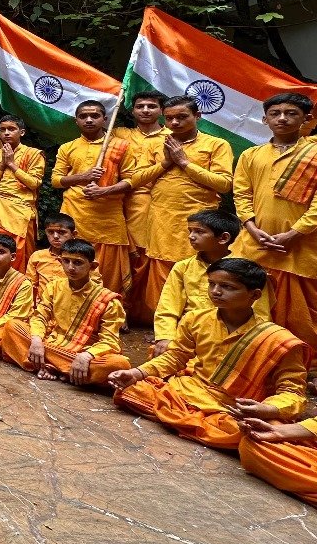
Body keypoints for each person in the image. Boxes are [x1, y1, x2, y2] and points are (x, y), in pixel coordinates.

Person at [111, 258, 307, 450]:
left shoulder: (277, 339)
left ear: (254, 295)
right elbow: (175, 357)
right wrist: (136, 373)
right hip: (190, 392)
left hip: (232, 407)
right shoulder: (195, 319)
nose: (215, 291)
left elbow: (293, 393)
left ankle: (190, 423)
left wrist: (266, 409)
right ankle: (202, 428)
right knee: (131, 390)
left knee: (257, 431)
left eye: (227, 287)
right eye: (211, 284)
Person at [128, 95, 233, 317]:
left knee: (196, 270)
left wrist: (184, 162)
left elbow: (224, 184)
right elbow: (137, 179)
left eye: (182, 117)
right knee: (161, 269)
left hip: (200, 220)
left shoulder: (216, 144)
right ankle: (165, 322)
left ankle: (198, 321)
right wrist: (166, 162)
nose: (174, 123)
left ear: (197, 115)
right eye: (169, 118)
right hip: (162, 217)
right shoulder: (156, 144)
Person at [230, 93, 317, 358]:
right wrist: (251, 227)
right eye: (275, 113)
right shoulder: (251, 154)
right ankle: (251, 358)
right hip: (254, 243)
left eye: (291, 113)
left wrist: (294, 234)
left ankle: (303, 362)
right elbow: (241, 194)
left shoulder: (313, 153)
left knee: (302, 313)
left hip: (301, 247)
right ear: (264, 119)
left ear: (307, 119)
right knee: (247, 302)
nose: (282, 118)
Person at [3, 240, 131, 385]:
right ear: (60, 261)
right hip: (51, 343)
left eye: (78, 262)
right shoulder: (54, 287)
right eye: (66, 261)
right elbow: (40, 317)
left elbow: (109, 341)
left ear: (92, 266)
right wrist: (37, 340)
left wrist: (86, 356)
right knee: (11, 327)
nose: (71, 267)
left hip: (83, 353)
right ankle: (66, 371)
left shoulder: (108, 301)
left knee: (119, 364)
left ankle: (46, 365)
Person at [51, 100, 136, 302]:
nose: (89, 120)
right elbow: (55, 180)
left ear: (105, 119)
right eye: (83, 116)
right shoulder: (68, 147)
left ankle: (107, 309)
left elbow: (131, 180)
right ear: (76, 121)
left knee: (108, 273)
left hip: (108, 219)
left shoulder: (120, 146)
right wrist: (83, 177)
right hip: (75, 215)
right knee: (72, 263)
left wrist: (103, 191)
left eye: (95, 116)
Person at [150, 211, 254, 358]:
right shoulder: (183, 267)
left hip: (231, 339)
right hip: (189, 337)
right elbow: (167, 307)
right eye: (190, 231)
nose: (191, 236)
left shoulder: (246, 270)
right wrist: (165, 337)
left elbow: (259, 313)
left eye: (199, 231)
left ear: (223, 238)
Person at [114, 91, 170, 316]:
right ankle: (120, 308)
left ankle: (143, 310)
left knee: (142, 253)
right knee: (120, 254)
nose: (145, 110)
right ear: (132, 110)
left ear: (161, 110)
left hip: (151, 201)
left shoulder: (171, 135)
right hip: (115, 200)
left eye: (151, 106)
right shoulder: (120, 133)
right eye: (140, 106)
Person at [0, 115, 44, 271]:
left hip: (20, 211)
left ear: (22, 132)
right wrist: (2, 164)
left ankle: (19, 284)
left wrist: (12, 164)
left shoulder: (33, 154)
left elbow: (34, 183)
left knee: (20, 254)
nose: (6, 133)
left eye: (11, 129)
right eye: (2, 130)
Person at [27, 213, 75, 302]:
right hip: (42, 306)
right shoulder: (37, 256)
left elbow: (93, 286)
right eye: (51, 232)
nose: (55, 236)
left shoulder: (82, 258)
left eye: (61, 232)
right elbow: (30, 285)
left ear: (74, 234)